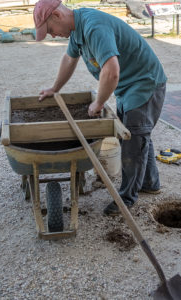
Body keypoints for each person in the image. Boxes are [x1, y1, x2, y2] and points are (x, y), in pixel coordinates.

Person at [33, 0, 167, 216]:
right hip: (127, 85)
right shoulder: (76, 29)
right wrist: (54, 88)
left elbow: (111, 71)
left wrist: (98, 102)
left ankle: (126, 199)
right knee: (137, 135)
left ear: (57, 16)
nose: (52, 35)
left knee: (134, 140)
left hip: (144, 83)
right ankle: (150, 183)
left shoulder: (94, 27)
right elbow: (69, 58)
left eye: (50, 30)